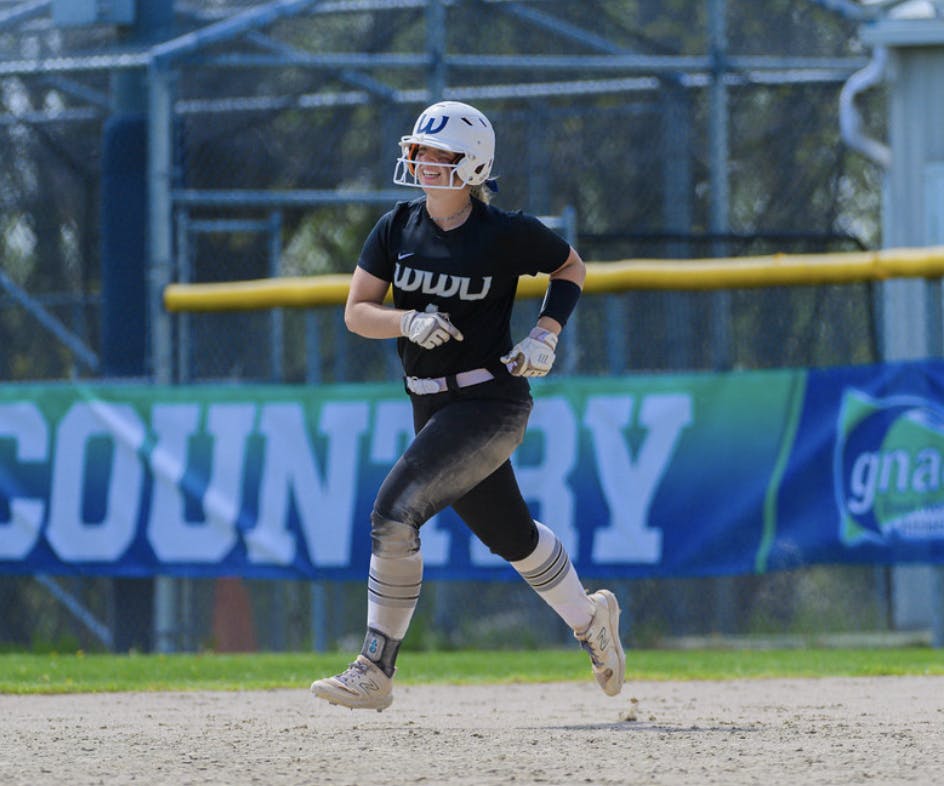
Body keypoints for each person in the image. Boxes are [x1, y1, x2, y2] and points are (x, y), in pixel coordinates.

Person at [310, 100, 625, 711]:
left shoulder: (503, 232)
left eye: (441, 154)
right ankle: (592, 618)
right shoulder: (396, 227)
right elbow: (356, 313)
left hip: (490, 402)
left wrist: (546, 333)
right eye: (420, 151)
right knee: (512, 536)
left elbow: (570, 266)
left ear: (473, 165)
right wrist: (406, 320)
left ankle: (376, 667)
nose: (425, 163)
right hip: (430, 406)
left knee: (393, 514)